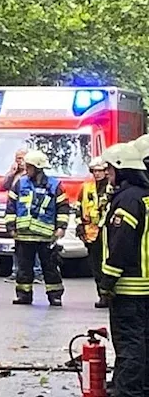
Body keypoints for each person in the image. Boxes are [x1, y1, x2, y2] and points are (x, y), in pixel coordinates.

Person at [98, 142, 149, 397]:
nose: (106, 174)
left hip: (129, 287)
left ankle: (129, 391)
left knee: (129, 342)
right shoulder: (144, 196)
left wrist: (106, 282)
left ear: (121, 169)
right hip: (145, 286)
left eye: (109, 169)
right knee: (143, 341)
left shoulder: (127, 200)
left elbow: (120, 246)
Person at [4, 150, 70, 307]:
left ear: (38, 168)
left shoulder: (55, 186)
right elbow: (11, 206)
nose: (26, 169)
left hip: (46, 236)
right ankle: (24, 295)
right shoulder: (20, 183)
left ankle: (55, 296)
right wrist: (11, 227)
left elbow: (63, 208)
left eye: (29, 167)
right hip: (24, 236)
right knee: (24, 268)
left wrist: (61, 228)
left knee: (50, 268)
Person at [0, 148, 43, 283]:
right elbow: (2, 186)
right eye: (18, 158)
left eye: (23, 158)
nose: (21, 161)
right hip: (19, 217)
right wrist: (11, 173)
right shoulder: (15, 176)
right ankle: (16, 271)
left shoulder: (33, 175)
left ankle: (37, 273)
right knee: (18, 246)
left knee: (34, 246)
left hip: (33, 216)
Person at [79, 156, 114, 308]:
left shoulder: (113, 187)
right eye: (95, 171)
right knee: (96, 266)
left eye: (100, 171)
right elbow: (78, 207)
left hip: (109, 232)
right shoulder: (86, 187)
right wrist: (79, 225)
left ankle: (109, 294)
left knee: (109, 265)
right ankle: (102, 295)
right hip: (92, 233)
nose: (97, 174)